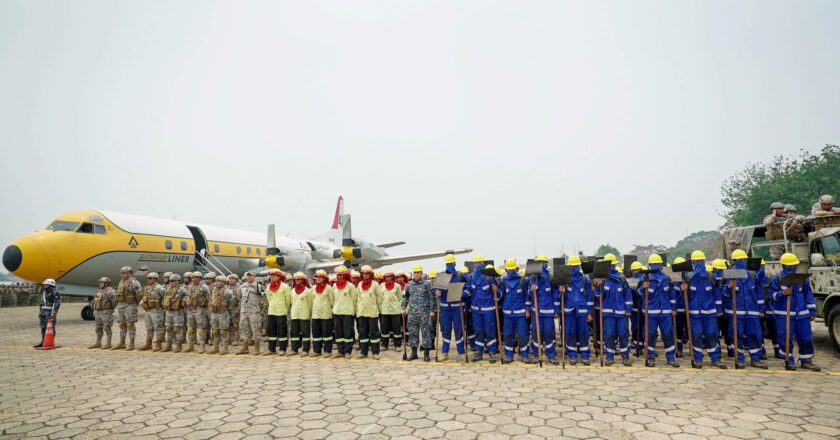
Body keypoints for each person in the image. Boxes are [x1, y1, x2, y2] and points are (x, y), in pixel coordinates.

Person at [770, 253, 821, 371]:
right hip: (784, 315)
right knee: (785, 339)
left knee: (806, 338)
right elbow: (771, 296)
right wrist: (781, 293)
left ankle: (806, 361)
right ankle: (789, 361)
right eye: (789, 266)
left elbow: (808, 294)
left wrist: (812, 311)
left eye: (794, 265)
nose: (792, 267)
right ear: (783, 266)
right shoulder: (777, 279)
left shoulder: (802, 279)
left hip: (802, 315)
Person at [724, 250, 768, 369]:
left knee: (755, 334)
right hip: (737, 312)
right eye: (739, 260)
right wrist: (729, 287)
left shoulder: (753, 275)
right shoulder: (730, 275)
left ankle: (756, 359)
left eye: (743, 259)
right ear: (734, 261)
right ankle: (740, 359)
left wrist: (761, 309)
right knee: (736, 334)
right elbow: (726, 294)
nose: (741, 262)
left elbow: (759, 293)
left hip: (752, 311)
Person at [683, 251, 725, 369]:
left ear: (704, 262)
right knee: (696, 335)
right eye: (696, 261)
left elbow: (717, 294)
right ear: (692, 262)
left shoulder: (710, 276)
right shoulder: (689, 277)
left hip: (710, 312)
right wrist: (683, 290)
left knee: (712, 334)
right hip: (695, 312)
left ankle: (715, 359)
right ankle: (698, 358)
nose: (698, 263)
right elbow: (685, 296)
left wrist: (719, 309)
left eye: (700, 261)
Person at [638, 254, 679, 368]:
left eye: (658, 263)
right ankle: (650, 357)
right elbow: (639, 293)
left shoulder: (666, 278)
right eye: (653, 264)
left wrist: (673, 309)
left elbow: (672, 295)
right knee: (650, 334)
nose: (656, 265)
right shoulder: (645, 278)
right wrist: (643, 287)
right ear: (649, 265)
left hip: (665, 312)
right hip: (651, 312)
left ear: (661, 265)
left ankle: (671, 357)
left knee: (668, 334)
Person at [596, 254, 632, 367]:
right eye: (609, 264)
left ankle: (625, 355)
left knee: (623, 334)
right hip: (608, 314)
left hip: (621, 313)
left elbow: (628, 296)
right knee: (609, 334)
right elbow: (598, 295)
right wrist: (598, 286)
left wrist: (628, 309)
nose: (611, 266)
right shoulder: (603, 280)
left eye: (612, 264)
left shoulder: (621, 279)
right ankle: (609, 356)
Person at [465, 255, 499, 363]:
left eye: (480, 262)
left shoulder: (489, 277)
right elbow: (468, 291)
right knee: (478, 331)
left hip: (488, 309)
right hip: (476, 310)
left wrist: (496, 290)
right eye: (476, 263)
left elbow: (498, 296)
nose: (478, 265)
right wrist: (458, 295)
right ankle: (478, 352)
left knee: (490, 331)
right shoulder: (470, 277)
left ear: (483, 263)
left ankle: (492, 352)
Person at [560, 256, 593, 365]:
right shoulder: (565, 280)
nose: (574, 268)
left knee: (583, 333)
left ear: (579, 266)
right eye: (572, 266)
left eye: (575, 266)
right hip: (569, 311)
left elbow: (589, 297)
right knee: (570, 333)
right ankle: (572, 355)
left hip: (582, 311)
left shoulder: (584, 280)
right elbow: (560, 299)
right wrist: (562, 292)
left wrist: (590, 312)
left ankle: (585, 356)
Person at [527, 255, 559, 365]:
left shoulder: (550, 277)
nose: (541, 264)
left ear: (546, 263)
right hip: (536, 311)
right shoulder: (533, 278)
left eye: (543, 262)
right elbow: (528, 293)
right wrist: (532, 290)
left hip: (548, 311)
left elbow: (555, 294)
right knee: (536, 333)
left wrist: (556, 310)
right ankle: (537, 354)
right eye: (539, 262)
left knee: (549, 333)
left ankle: (551, 354)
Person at [499, 259, 531, 364]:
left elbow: (527, 296)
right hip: (508, 313)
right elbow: (501, 295)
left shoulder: (523, 280)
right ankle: (508, 355)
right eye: (509, 269)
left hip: (520, 313)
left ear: (516, 268)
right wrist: (495, 291)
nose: (510, 270)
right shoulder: (503, 280)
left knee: (523, 334)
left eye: (512, 268)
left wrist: (527, 310)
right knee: (508, 335)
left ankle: (524, 355)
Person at [402, 264, 436, 362]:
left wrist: (432, 310)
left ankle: (426, 353)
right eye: (415, 273)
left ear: (421, 273)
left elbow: (431, 297)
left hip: (424, 313)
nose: (416, 274)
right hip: (412, 313)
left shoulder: (427, 284)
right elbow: (405, 297)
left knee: (426, 333)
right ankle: (414, 353)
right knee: (413, 333)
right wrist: (403, 307)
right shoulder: (409, 284)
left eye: (418, 273)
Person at [437, 254, 467, 363]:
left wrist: (462, 293)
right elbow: (435, 289)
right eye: (448, 263)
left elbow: (468, 289)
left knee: (459, 330)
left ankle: (461, 352)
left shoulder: (460, 276)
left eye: (451, 263)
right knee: (446, 330)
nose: (449, 265)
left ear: (454, 263)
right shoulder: (442, 275)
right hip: (445, 309)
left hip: (457, 308)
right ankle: (445, 352)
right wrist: (437, 292)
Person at [356, 265, 383, 359]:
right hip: (362, 312)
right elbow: (357, 298)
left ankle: (375, 352)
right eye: (364, 274)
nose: (365, 275)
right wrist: (357, 311)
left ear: (370, 274)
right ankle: (363, 352)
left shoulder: (375, 284)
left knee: (374, 333)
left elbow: (380, 298)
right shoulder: (359, 284)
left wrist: (380, 311)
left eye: (367, 274)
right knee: (362, 332)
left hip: (372, 313)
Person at [113, 266, 142, 350]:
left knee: (130, 324)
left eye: (126, 273)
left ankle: (131, 343)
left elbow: (139, 294)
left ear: (130, 273)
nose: (124, 275)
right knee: (122, 324)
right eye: (122, 273)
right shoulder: (121, 282)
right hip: (121, 305)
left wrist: (137, 304)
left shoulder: (134, 282)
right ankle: (122, 343)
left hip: (130, 305)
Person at [331, 266, 358, 358]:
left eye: (341, 275)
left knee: (347, 332)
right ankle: (340, 351)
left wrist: (353, 311)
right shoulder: (334, 286)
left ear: (345, 276)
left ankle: (347, 351)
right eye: (338, 275)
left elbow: (354, 300)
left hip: (347, 312)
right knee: (338, 332)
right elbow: (333, 299)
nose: (339, 276)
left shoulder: (351, 286)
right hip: (337, 312)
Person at [264, 268, 292, 356]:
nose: (272, 278)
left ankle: (282, 349)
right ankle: (271, 349)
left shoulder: (285, 286)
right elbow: (268, 298)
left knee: (282, 331)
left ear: (279, 277)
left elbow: (288, 300)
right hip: (272, 311)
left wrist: (285, 309)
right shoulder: (268, 286)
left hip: (281, 312)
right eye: (271, 276)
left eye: (274, 276)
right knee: (271, 331)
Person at [236, 271, 265, 355]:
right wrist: (239, 308)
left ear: (254, 276)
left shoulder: (259, 287)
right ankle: (245, 348)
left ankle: (257, 348)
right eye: (247, 276)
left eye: (251, 276)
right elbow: (239, 297)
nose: (249, 277)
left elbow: (264, 297)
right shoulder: (242, 286)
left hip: (254, 311)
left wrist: (263, 309)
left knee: (255, 329)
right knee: (244, 328)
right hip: (244, 311)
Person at [138, 272, 166, 352]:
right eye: (148, 278)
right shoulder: (146, 288)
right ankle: (148, 343)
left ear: (155, 279)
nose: (148, 280)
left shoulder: (159, 288)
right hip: (148, 310)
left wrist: (162, 307)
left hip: (157, 311)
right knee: (149, 328)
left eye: (150, 278)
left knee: (158, 327)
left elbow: (166, 297)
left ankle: (158, 343)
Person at [183, 272, 211, 354]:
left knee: (201, 329)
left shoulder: (204, 287)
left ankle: (202, 346)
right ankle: (190, 345)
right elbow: (186, 296)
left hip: (200, 310)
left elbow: (208, 299)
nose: (194, 279)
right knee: (190, 328)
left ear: (200, 278)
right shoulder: (189, 286)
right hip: (190, 309)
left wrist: (208, 312)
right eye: (193, 278)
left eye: (196, 278)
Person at [311, 270, 335, 357]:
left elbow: (332, 301)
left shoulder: (329, 288)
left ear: (324, 278)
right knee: (316, 333)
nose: (318, 279)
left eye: (320, 277)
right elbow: (311, 300)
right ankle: (317, 351)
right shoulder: (313, 288)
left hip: (326, 314)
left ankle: (327, 351)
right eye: (317, 277)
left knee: (326, 334)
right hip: (316, 314)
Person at [207, 275, 234, 355]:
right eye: (217, 281)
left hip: (223, 313)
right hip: (214, 313)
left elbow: (232, 301)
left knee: (223, 331)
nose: (218, 283)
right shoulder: (214, 290)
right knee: (214, 331)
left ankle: (225, 348)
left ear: (224, 283)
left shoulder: (227, 291)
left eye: (220, 281)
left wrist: (226, 308)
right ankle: (215, 347)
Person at [289, 272, 314, 357]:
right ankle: (294, 349)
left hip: (304, 315)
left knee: (305, 333)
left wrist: (308, 313)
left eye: (299, 279)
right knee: (294, 333)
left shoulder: (308, 291)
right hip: (294, 314)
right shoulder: (292, 291)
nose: (297, 281)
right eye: (296, 279)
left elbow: (310, 303)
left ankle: (306, 350)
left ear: (303, 280)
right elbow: (291, 302)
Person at [88, 277, 116, 349]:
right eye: (100, 282)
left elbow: (114, 301)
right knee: (98, 328)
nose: (100, 284)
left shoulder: (110, 291)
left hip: (106, 312)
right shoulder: (99, 290)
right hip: (98, 311)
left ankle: (108, 343)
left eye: (102, 282)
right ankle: (98, 343)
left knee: (107, 328)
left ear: (107, 283)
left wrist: (112, 308)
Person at [162, 274, 187, 352]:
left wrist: (182, 301)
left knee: (177, 329)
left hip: (178, 312)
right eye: (170, 281)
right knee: (168, 328)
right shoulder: (168, 289)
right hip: (169, 311)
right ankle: (168, 346)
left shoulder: (182, 289)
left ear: (178, 281)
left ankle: (179, 346)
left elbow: (187, 297)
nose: (171, 282)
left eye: (173, 281)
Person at [379, 271, 404, 352]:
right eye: (386, 276)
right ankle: (384, 345)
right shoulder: (381, 285)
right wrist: (380, 308)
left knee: (396, 328)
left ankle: (397, 345)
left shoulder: (397, 286)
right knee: (384, 329)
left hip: (395, 311)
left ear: (392, 277)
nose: (388, 278)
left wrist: (399, 308)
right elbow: (379, 298)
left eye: (390, 276)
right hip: (384, 311)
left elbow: (400, 298)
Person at [629, 261, 645, 357]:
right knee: (635, 328)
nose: (636, 271)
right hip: (634, 309)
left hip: (643, 308)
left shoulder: (645, 279)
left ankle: (642, 347)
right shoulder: (629, 281)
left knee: (643, 329)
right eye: (634, 270)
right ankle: (637, 346)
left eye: (637, 269)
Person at [227, 274, 241, 346]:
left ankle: (236, 338)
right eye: (230, 279)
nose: (231, 280)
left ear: (236, 280)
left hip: (235, 308)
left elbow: (240, 300)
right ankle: (229, 338)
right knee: (228, 324)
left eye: (233, 279)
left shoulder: (239, 288)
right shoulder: (227, 288)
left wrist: (239, 309)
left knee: (235, 324)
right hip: (227, 308)